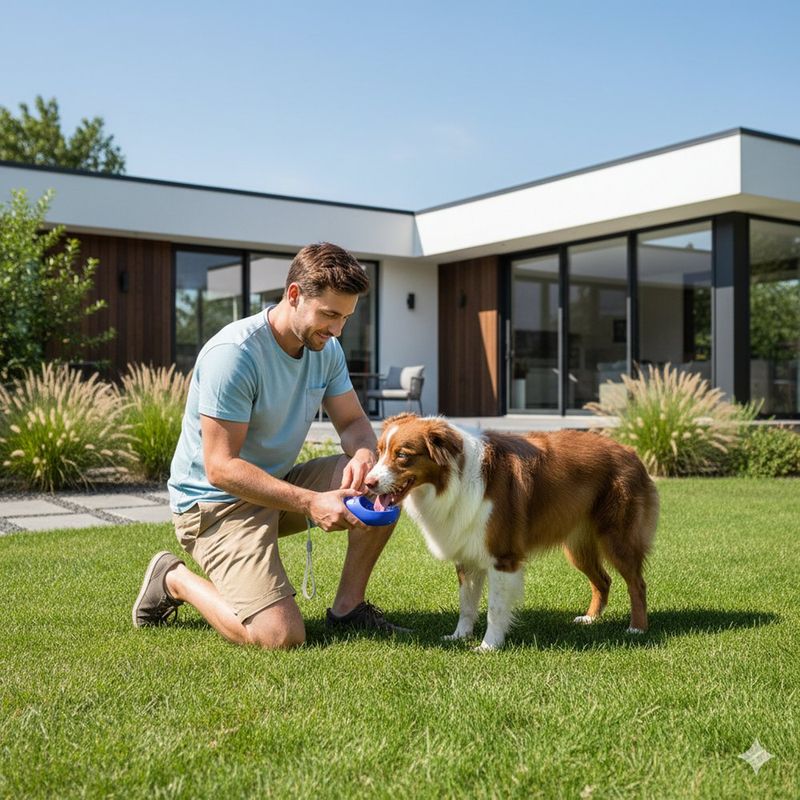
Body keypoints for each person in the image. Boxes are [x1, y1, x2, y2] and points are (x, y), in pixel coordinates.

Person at [132, 242, 407, 649]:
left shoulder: (326, 349)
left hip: (274, 486)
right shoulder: (235, 355)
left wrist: (366, 456)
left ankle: (348, 609)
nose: (337, 330)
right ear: (294, 295)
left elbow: (353, 424)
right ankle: (174, 579)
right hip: (214, 507)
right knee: (280, 636)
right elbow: (221, 468)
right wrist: (311, 502)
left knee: (380, 483)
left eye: (346, 318)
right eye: (329, 314)